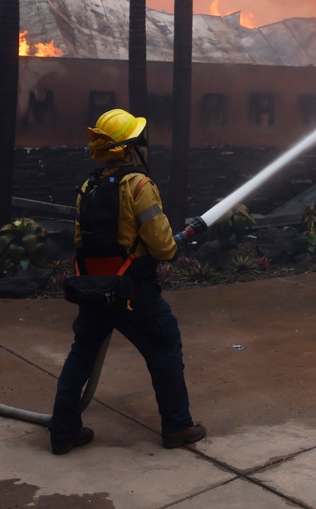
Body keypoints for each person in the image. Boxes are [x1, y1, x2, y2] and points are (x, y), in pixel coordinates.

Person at [49, 108, 206, 454]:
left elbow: (80, 241)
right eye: (142, 141)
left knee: (81, 356)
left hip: (94, 289)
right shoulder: (139, 186)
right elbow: (163, 248)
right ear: (131, 150)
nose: (147, 147)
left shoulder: (87, 188)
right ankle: (177, 426)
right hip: (134, 291)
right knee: (164, 347)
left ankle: (63, 432)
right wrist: (174, 242)